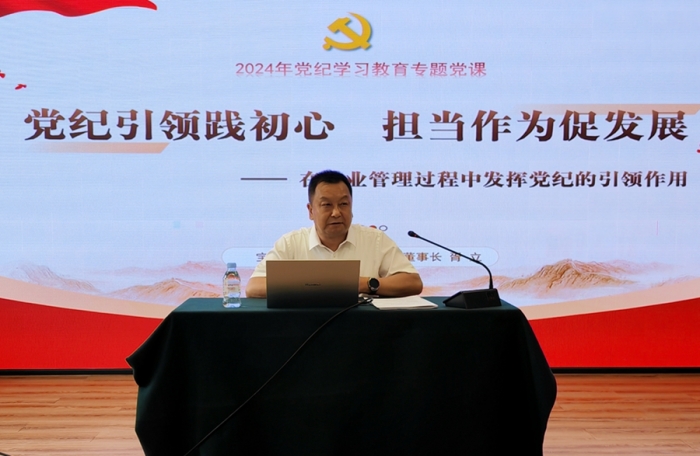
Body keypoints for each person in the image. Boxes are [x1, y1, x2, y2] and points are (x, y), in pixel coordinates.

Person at [245, 170, 423, 298]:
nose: (336, 213)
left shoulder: (375, 239)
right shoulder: (291, 243)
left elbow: (413, 283)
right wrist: (314, 285)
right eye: (327, 205)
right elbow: (254, 287)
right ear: (311, 211)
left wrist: (363, 284)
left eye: (344, 204)